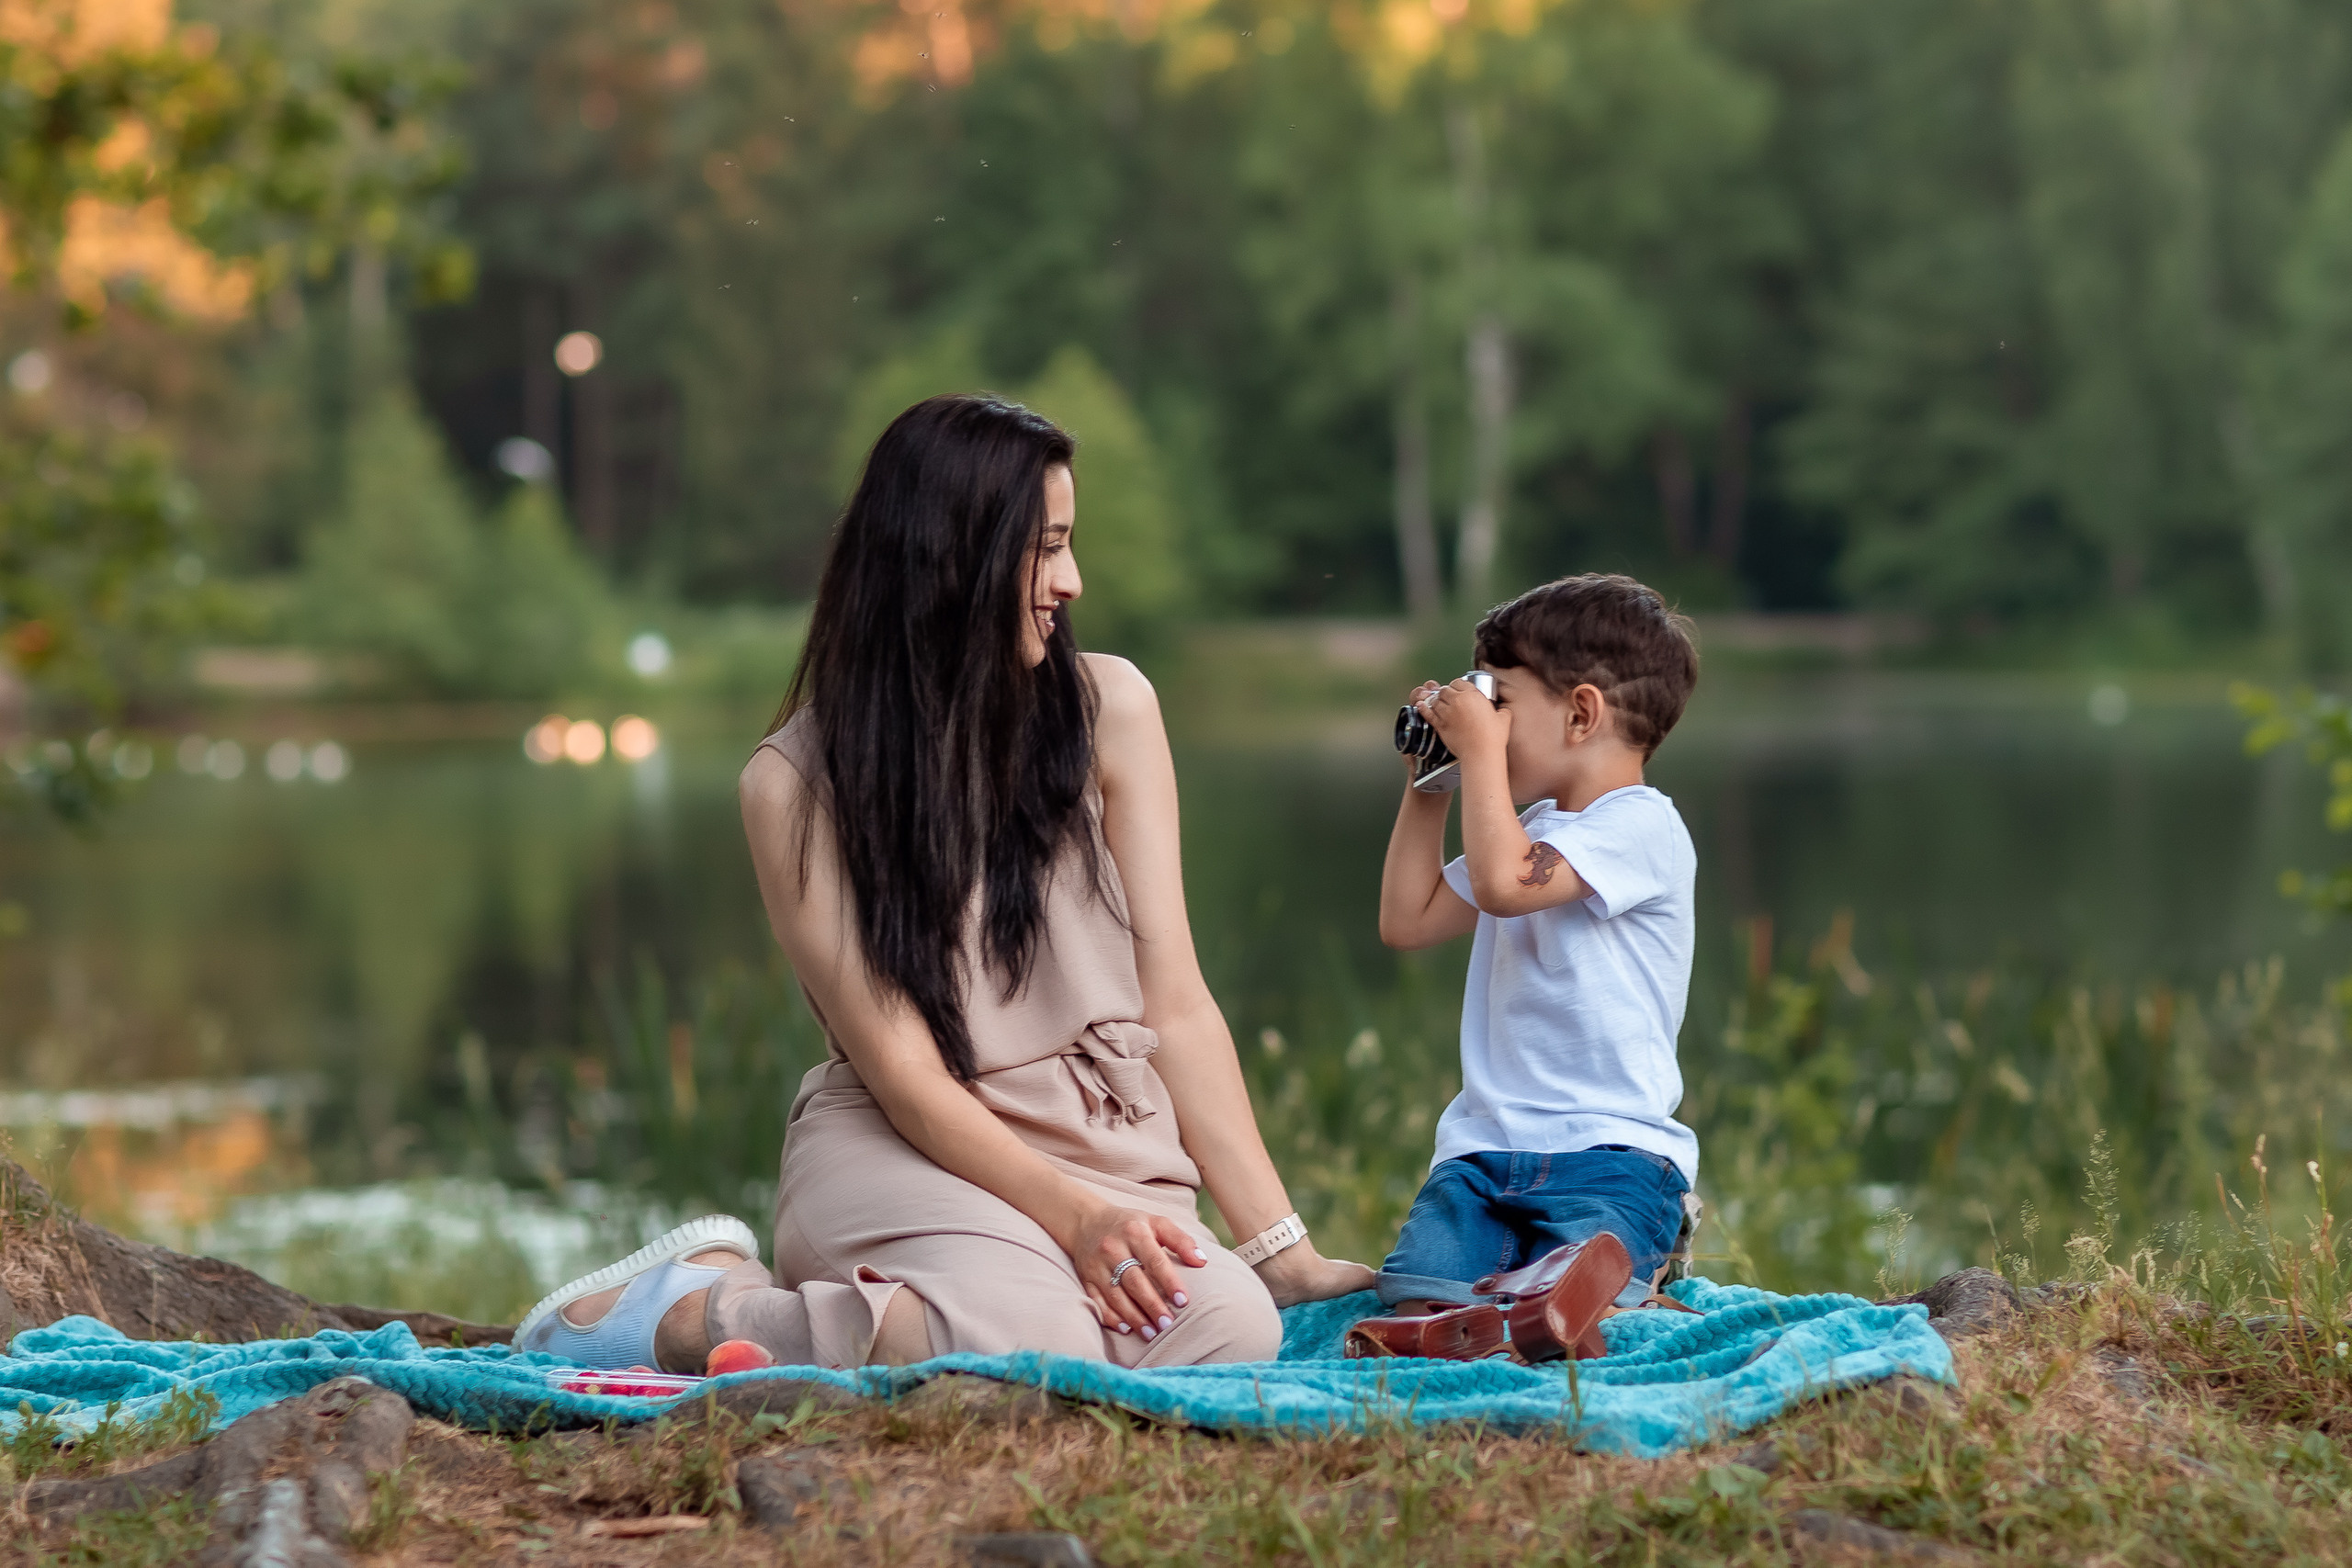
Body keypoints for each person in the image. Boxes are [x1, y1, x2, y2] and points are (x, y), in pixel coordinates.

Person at [514, 393, 1372, 1373]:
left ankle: (865, 1318)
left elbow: (1174, 1001)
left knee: (1229, 1331)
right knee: (1032, 1342)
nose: (1072, 580)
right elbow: (905, 1074)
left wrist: (1279, 1253)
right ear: (951, 555)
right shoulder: (793, 785)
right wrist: (1079, 1219)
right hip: (904, 1147)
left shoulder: (1115, 711)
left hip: (1097, 1140)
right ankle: (692, 1310)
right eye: (1046, 549)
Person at [1351, 573, 1701, 1360]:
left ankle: (1591, 1296)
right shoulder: (1522, 827)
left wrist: (1477, 754)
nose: (1488, 726)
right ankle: (1525, 1311)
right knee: (1415, 1299)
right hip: (1482, 1152)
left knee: (1585, 1271)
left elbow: (1509, 885)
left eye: (1499, 702)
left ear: (1581, 713)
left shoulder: (1643, 824)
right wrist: (1432, 781)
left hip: (1612, 1149)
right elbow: (1406, 921)